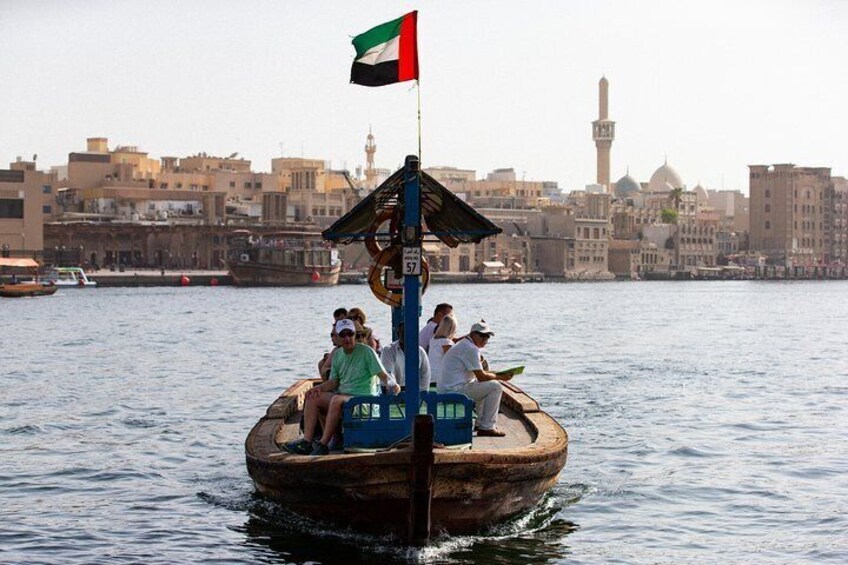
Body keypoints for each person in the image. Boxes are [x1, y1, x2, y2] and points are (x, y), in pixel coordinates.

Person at [285, 319, 400, 456]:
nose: (347, 338)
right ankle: (307, 442)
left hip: (364, 399)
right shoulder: (338, 355)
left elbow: (383, 375)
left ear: (354, 335)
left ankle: (323, 444)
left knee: (336, 400)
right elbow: (333, 382)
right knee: (313, 397)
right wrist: (318, 388)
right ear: (338, 338)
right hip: (344, 396)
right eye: (343, 335)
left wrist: (392, 384)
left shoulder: (366, 352)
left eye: (350, 334)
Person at [437, 320, 514, 437]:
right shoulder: (470, 349)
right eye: (482, 336)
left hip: (448, 389)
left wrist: (499, 373)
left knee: (484, 385)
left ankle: (480, 423)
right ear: (472, 334)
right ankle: (487, 427)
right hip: (453, 391)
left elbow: (480, 374)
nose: (485, 339)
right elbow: (482, 376)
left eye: (487, 336)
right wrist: (501, 377)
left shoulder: (464, 344)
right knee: (496, 387)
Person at [381, 323, 431, 392]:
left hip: (414, 391)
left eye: (410, 332)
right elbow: (388, 373)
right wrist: (394, 388)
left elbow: (425, 374)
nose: (406, 335)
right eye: (403, 332)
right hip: (394, 391)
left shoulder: (420, 351)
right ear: (398, 334)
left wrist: (421, 393)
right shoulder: (388, 350)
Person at [428, 314, 457, 389]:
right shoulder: (447, 343)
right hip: (440, 380)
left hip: (430, 378)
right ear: (452, 329)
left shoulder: (433, 340)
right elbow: (453, 363)